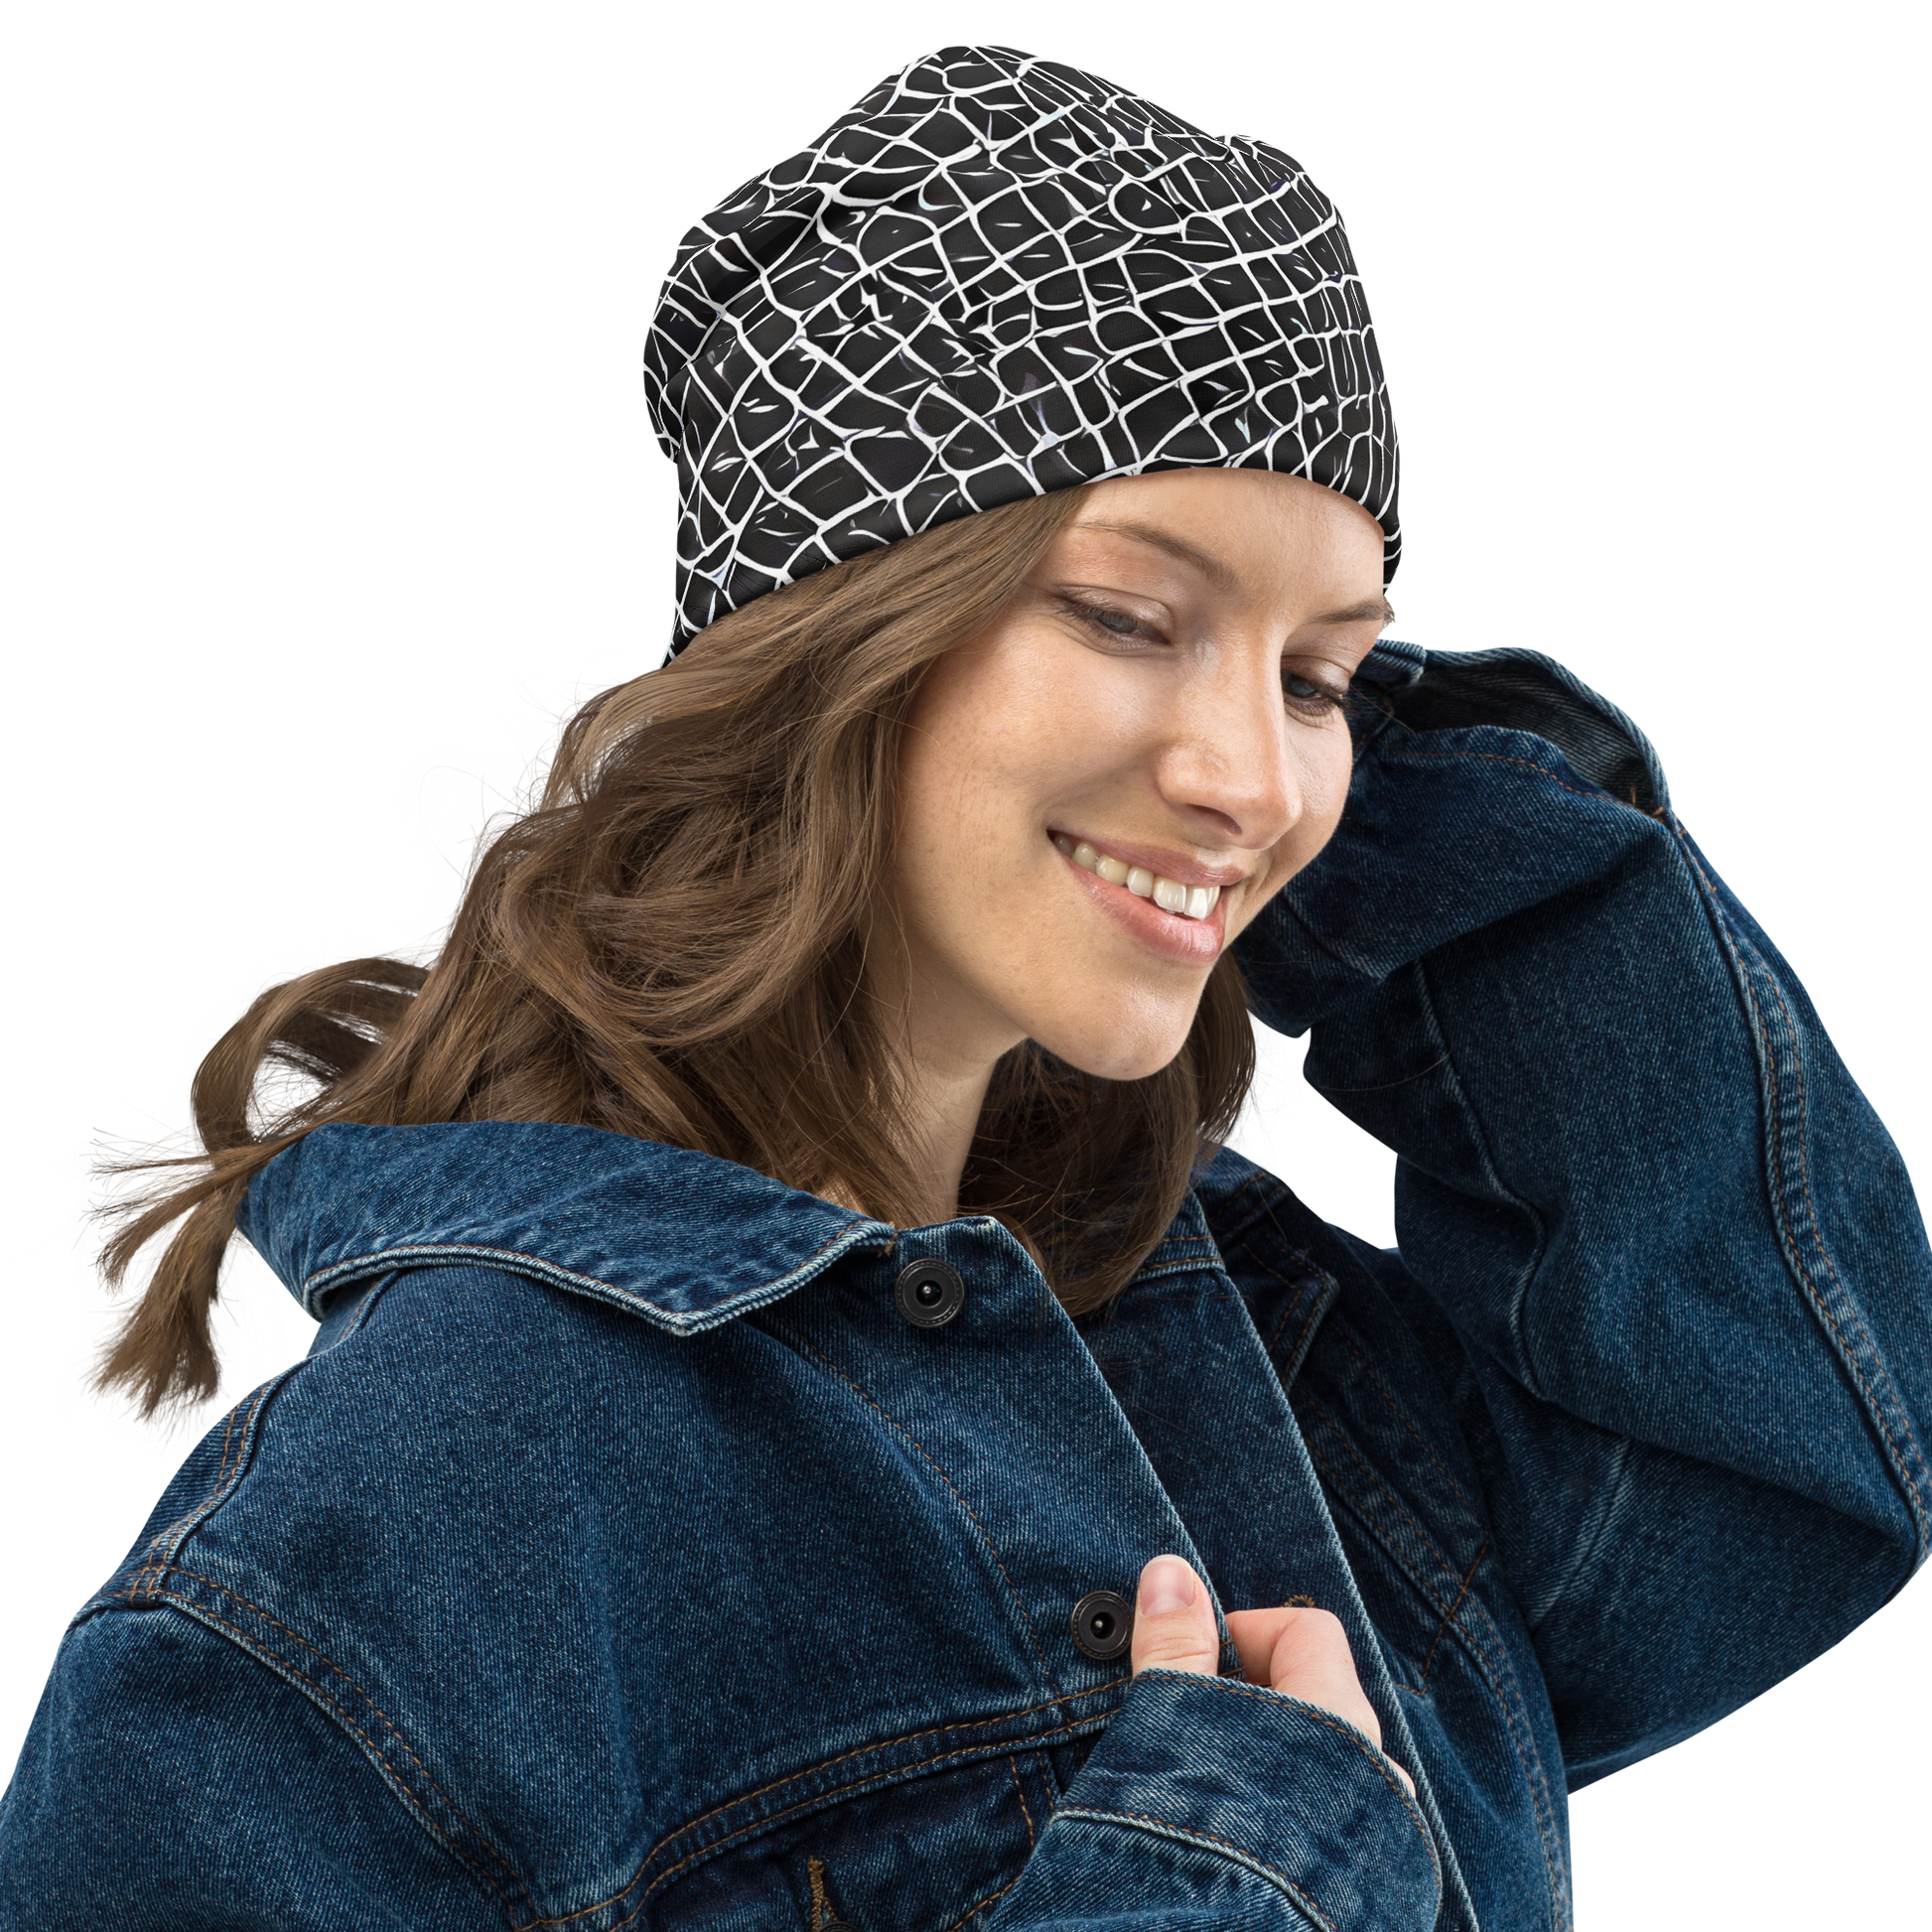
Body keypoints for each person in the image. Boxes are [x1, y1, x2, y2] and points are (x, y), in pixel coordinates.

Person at [3, 41, 1925, 1930]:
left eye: (1316, 676)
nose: (1258, 779)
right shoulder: (317, 1604)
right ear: (838, 641)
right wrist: (1228, 1872)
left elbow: (1761, 1465)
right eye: (1126, 613)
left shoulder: (1251, 1326)